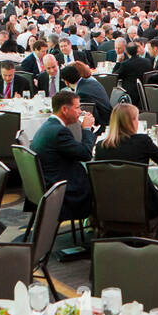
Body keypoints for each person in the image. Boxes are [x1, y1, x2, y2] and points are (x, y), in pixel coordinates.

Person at [93, 103, 158, 218]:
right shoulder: (142, 142)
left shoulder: (101, 146)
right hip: (142, 207)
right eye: (136, 119)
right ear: (130, 122)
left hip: (109, 208)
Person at [30, 89, 99, 220]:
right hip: (62, 189)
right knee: (102, 181)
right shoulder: (59, 132)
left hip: (48, 181)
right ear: (64, 109)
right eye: (77, 108)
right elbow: (85, 154)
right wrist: (86, 129)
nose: (80, 112)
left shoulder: (49, 126)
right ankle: (103, 223)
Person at [64, 63, 111, 127]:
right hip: (109, 118)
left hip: (102, 125)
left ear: (66, 82)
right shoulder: (92, 82)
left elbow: (86, 118)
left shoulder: (82, 93)